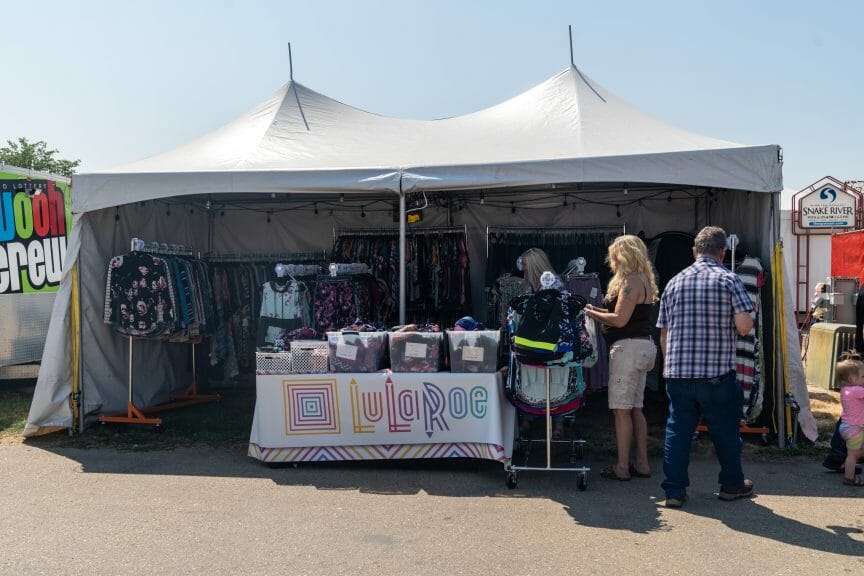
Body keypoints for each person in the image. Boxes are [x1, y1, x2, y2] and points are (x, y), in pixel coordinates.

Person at [656, 226, 754, 508]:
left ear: (694, 251)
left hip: (678, 372)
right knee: (724, 432)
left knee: (678, 432)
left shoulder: (674, 282)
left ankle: (674, 492)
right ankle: (731, 485)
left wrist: (669, 368)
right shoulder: (728, 279)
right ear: (723, 252)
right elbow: (744, 327)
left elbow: (664, 331)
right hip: (715, 373)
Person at [584, 235, 658, 481]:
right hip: (643, 347)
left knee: (621, 411)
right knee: (636, 408)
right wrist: (591, 309)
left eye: (614, 256)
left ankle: (622, 467)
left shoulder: (630, 282)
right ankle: (643, 464)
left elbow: (619, 320)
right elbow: (619, 313)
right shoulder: (644, 280)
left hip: (628, 350)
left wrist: (592, 315)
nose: (611, 261)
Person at [516, 247, 567, 439]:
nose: (524, 269)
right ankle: (532, 417)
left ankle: (556, 423)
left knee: (554, 378)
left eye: (527, 265)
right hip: (537, 339)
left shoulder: (551, 282)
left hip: (552, 340)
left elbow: (561, 310)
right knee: (536, 376)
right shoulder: (533, 285)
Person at [835, 355, 864, 486]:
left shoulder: (844, 390)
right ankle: (849, 478)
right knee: (853, 455)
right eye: (862, 377)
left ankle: (846, 465)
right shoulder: (857, 390)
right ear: (852, 379)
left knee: (853, 453)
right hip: (855, 428)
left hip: (846, 427)